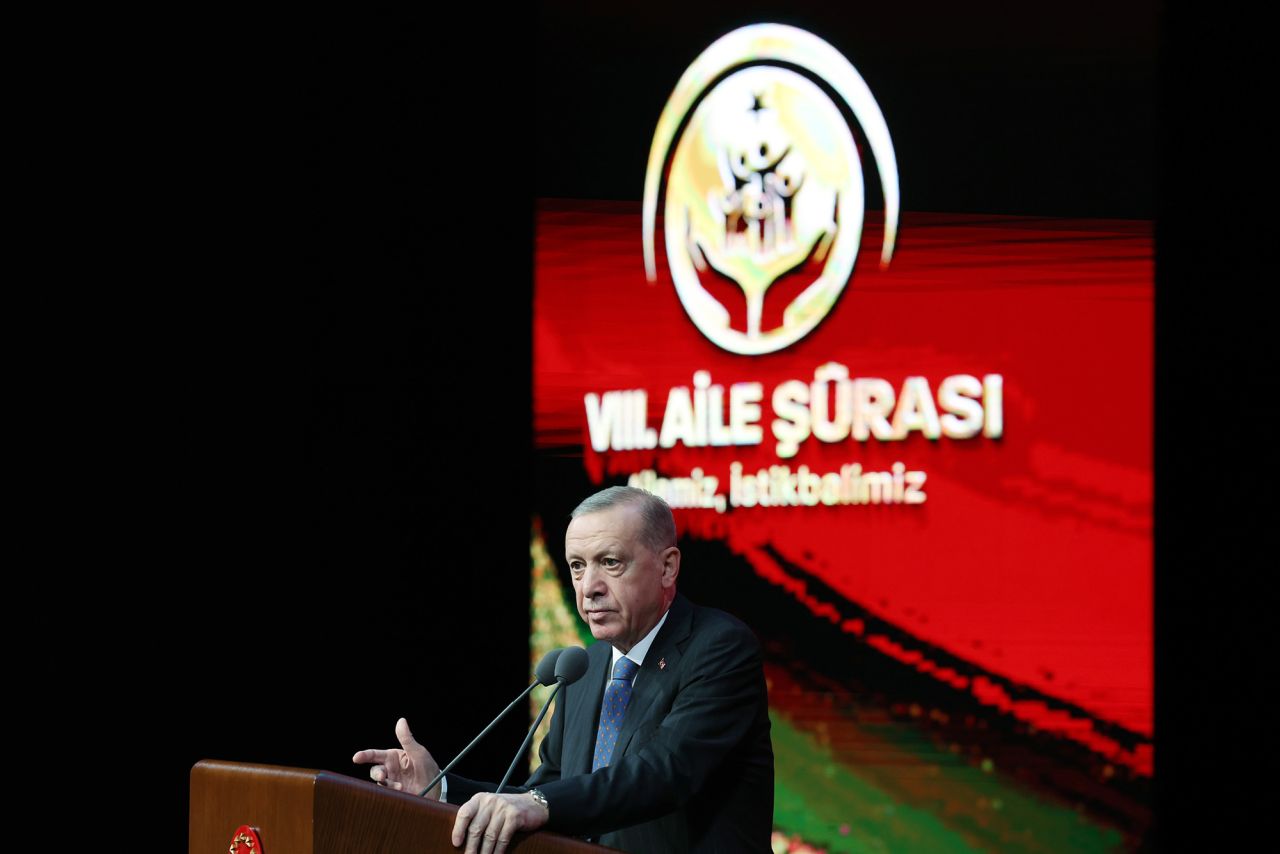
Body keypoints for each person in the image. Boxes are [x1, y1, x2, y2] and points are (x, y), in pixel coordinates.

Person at [353, 486, 774, 853]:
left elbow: (664, 773)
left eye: (610, 562)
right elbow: (547, 792)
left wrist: (539, 803)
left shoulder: (719, 649)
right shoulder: (585, 668)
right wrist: (442, 787)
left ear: (667, 566)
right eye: (577, 566)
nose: (588, 586)